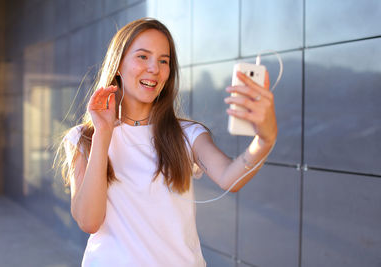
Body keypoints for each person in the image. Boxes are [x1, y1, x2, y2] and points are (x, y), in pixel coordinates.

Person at [59, 18, 277, 267]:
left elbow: (230, 177)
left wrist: (265, 139)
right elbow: (89, 221)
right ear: (118, 64)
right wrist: (103, 133)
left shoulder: (187, 135)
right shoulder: (83, 138)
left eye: (164, 60)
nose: (155, 68)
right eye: (143, 56)